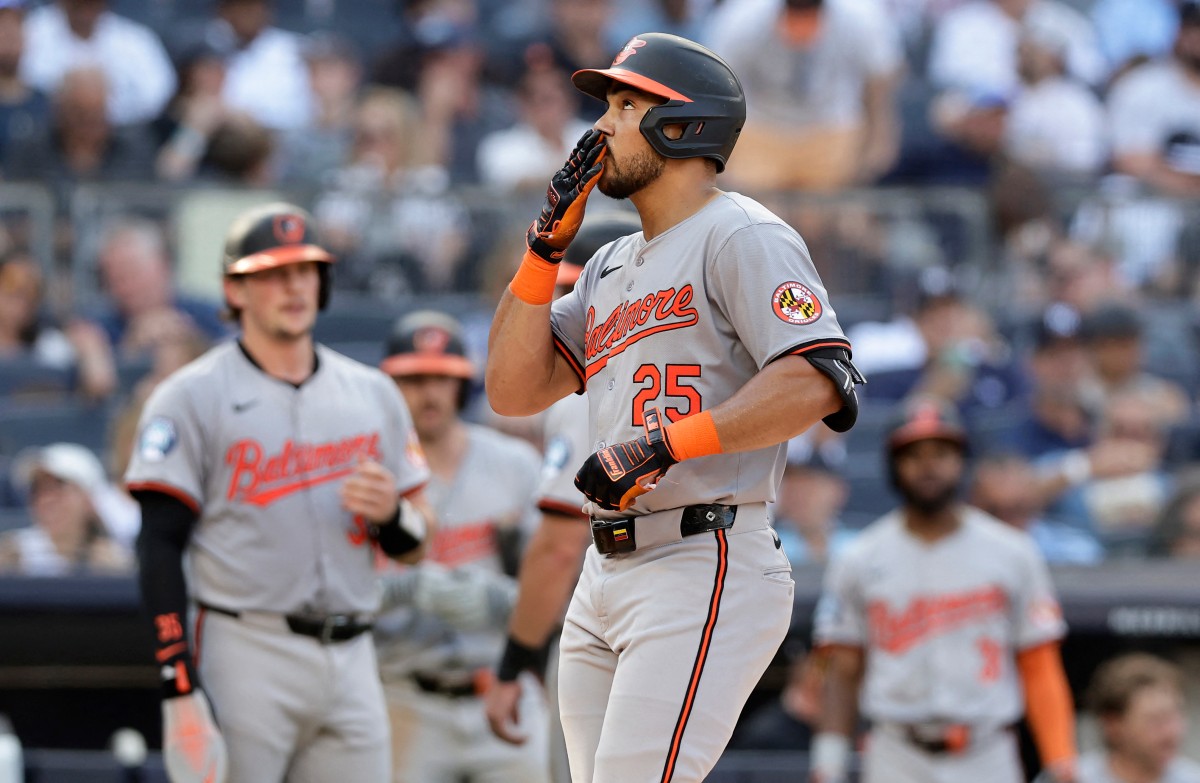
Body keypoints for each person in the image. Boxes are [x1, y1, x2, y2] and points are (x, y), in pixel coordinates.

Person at [485, 32, 864, 782]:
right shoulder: (609, 263)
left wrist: (666, 444)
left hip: (704, 552)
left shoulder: (742, 232)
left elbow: (821, 379)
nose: (600, 126)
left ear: (683, 123)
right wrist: (541, 254)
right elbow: (512, 388)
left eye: (626, 105)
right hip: (605, 572)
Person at [125, 202, 431, 783]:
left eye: (306, 270)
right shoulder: (189, 395)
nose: (294, 286)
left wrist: (393, 517)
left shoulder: (374, 393)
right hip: (247, 647)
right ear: (234, 290)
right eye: (272, 272)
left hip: (352, 650)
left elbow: (419, 537)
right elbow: (158, 546)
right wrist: (178, 686)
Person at [812, 396, 1077, 783]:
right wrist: (828, 761)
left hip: (987, 751)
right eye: (914, 454)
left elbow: (1039, 664)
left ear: (962, 461)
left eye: (942, 452)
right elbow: (842, 669)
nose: (929, 465)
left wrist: (1062, 759)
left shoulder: (1013, 551)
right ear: (893, 465)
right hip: (896, 752)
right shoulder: (859, 557)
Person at [484, 212, 641, 758]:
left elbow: (557, 548)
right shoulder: (685, 358)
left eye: (573, 292)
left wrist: (516, 658)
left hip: (619, 613)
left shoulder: (593, 382)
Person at [373, 309, 549, 783]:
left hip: (503, 686)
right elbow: (340, 596)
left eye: (441, 378)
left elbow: (560, 577)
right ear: (389, 386)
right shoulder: (371, 474)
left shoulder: (514, 464)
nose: (429, 393)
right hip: (406, 695)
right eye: (414, 379)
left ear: (463, 384)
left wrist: (502, 599)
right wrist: (404, 589)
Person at [0, 442, 134, 575]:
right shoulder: (13, 554)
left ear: (89, 498)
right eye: (36, 490)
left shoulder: (120, 553)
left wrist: (121, 573)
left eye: (60, 487)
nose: (46, 499)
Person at [1077, 653, 1200, 783]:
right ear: (1113, 724)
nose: (1171, 732)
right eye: (1155, 720)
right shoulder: (1075, 777)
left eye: (1175, 716)